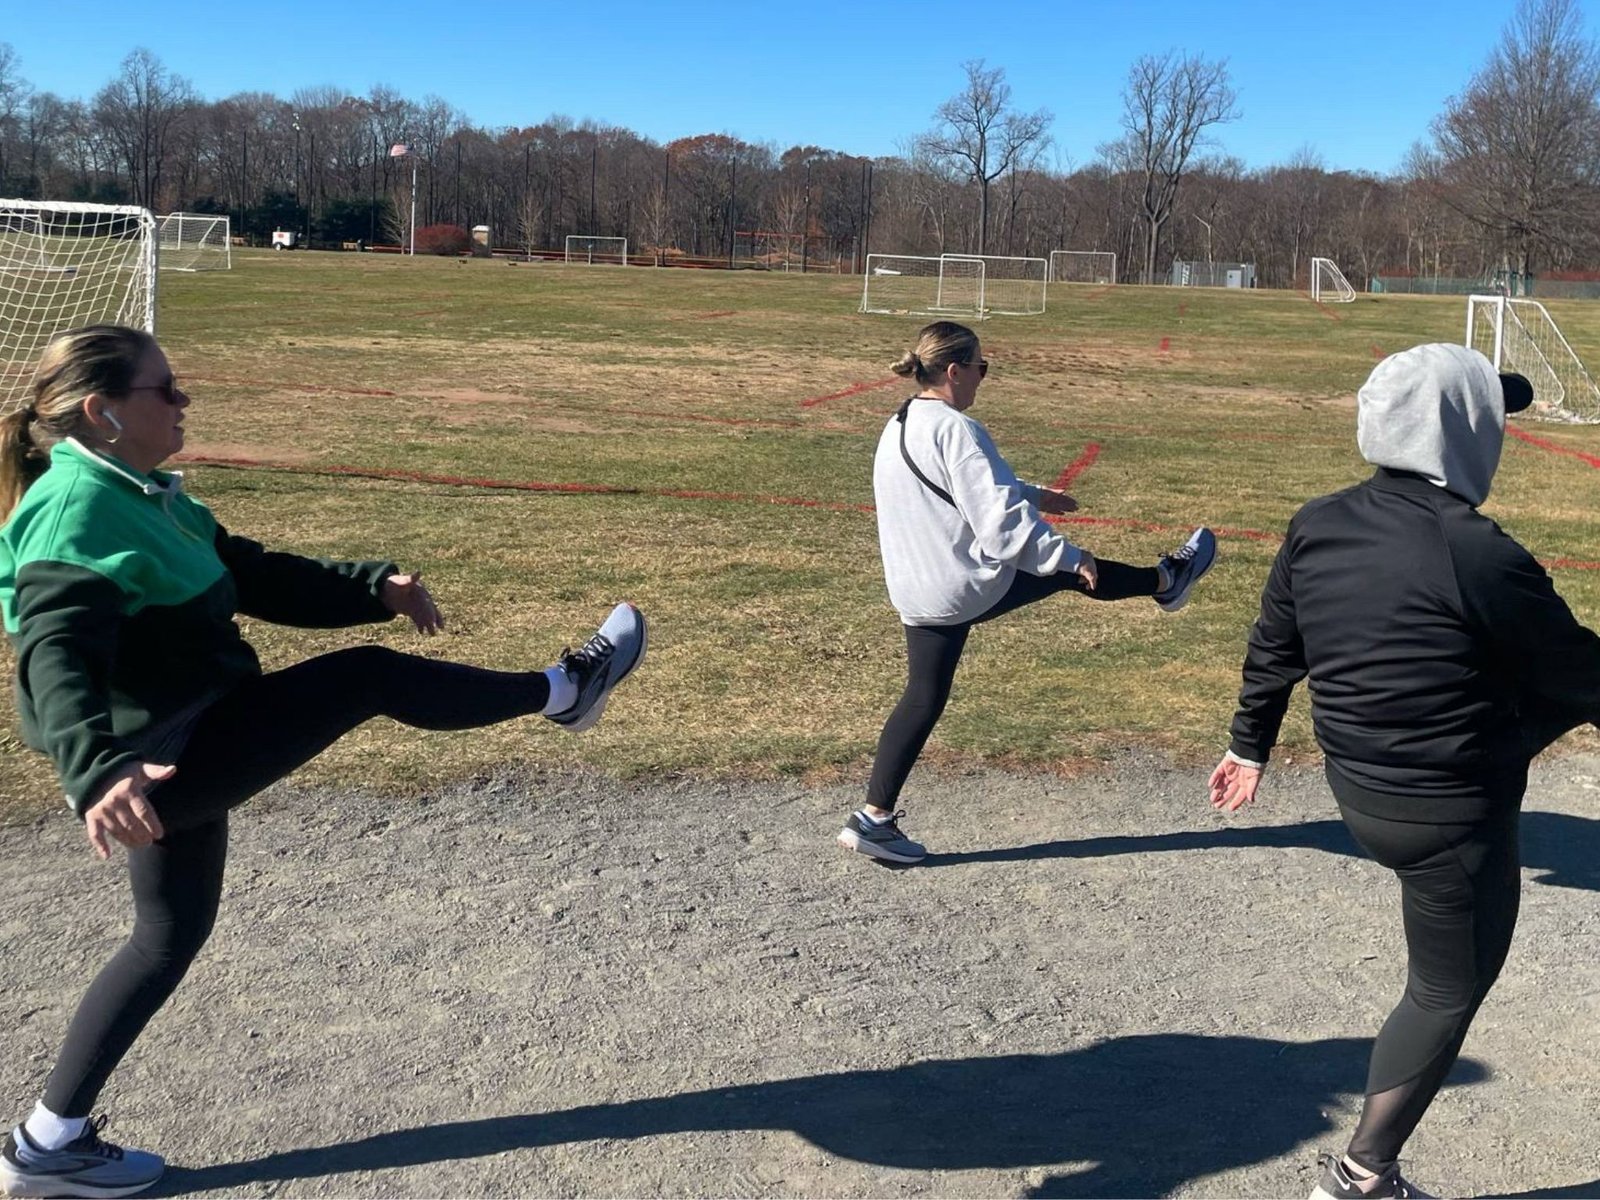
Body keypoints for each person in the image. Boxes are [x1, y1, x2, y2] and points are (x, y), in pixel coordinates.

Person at [0, 325, 647, 1199]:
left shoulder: (140, 493)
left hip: (180, 744)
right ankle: (564, 691)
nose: (184, 400)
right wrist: (96, 769)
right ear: (101, 412)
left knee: (166, 937)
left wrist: (368, 585)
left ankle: (47, 1144)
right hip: (164, 761)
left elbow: (251, 573)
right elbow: (53, 655)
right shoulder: (77, 511)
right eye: (165, 389)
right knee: (365, 679)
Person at [1208, 343, 1600, 1200]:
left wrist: (1248, 746)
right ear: (1457, 433)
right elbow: (1582, 672)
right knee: (1446, 991)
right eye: (1491, 417)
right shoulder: (1476, 548)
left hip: (1359, 785)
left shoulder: (1318, 520)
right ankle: (1361, 1177)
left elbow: (1276, 645)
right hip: (1445, 813)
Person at [839, 320, 1217, 865]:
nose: (983, 377)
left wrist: (1034, 494)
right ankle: (1167, 580)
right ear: (954, 371)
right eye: (981, 367)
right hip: (959, 585)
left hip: (915, 587)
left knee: (923, 697)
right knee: (1066, 570)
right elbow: (999, 527)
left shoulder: (903, 419)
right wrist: (1071, 556)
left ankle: (873, 818)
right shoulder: (958, 429)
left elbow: (966, 487)